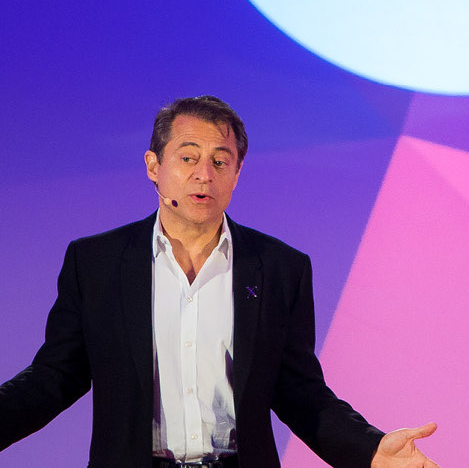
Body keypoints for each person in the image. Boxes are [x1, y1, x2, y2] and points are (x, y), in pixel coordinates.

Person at [0, 95, 441, 468]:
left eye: (220, 161)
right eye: (188, 157)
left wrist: (370, 450)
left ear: (237, 172)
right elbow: (55, 376)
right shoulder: (96, 263)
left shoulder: (280, 268)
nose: (204, 174)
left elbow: (300, 393)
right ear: (154, 165)